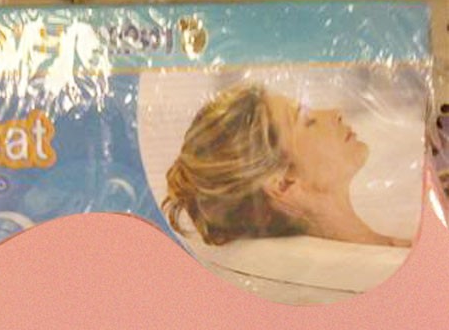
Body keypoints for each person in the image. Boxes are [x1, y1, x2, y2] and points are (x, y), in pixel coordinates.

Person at [162, 84, 410, 247]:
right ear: (283, 184)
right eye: (308, 121)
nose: (335, 112)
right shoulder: (374, 270)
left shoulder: (390, 251)